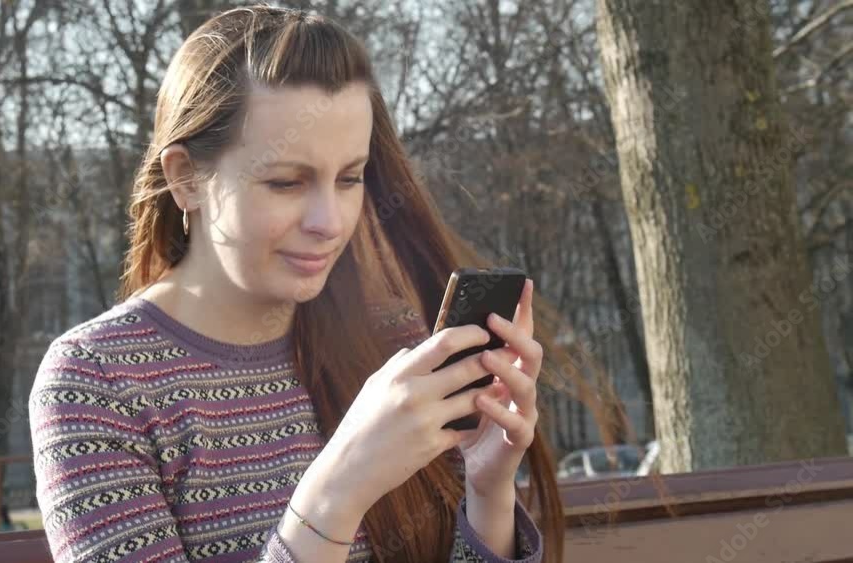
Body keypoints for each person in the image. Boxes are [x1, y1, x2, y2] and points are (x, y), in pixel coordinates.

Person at [29, 4, 562, 562]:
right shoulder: (96, 383)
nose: (329, 222)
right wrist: (334, 495)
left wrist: (487, 490)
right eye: (286, 182)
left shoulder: (389, 341)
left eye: (350, 178)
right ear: (186, 178)